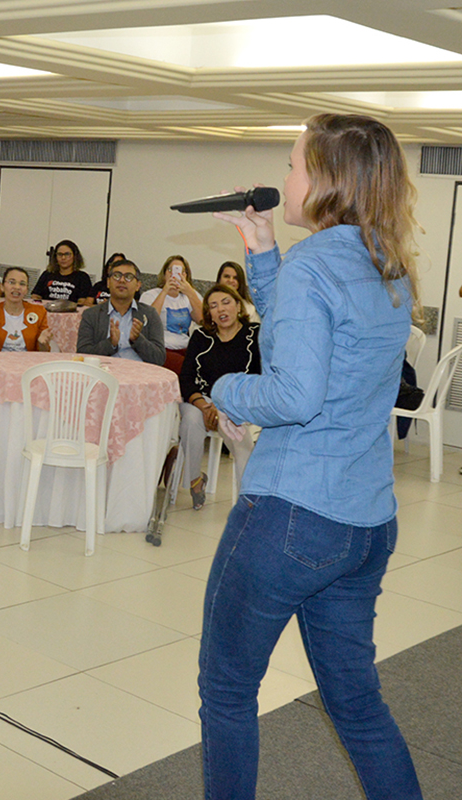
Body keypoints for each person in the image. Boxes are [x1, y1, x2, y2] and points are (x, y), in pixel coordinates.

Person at [200, 113, 423, 800]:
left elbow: (295, 391)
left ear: (327, 180)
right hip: (364, 524)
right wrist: (263, 253)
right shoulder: (388, 264)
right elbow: (311, 337)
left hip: (292, 518)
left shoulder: (313, 268)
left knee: (228, 692)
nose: (283, 178)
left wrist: (223, 384)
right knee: (357, 706)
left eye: (293, 164)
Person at [178, 284, 261, 509]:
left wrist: (225, 406)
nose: (220, 309)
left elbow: (259, 377)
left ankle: (248, 500)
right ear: (209, 313)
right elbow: (186, 377)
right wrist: (204, 406)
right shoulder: (201, 336)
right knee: (191, 420)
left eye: (226, 302)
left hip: (237, 403)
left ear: (238, 305)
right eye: (213, 306)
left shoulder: (254, 334)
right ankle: (195, 482)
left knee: (237, 435)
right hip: (201, 401)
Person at [76, 258, 165, 364]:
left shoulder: (149, 314)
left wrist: (138, 340)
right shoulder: (91, 314)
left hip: (139, 375)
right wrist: (110, 343)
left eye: (128, 277)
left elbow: (159, 358)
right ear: (108, 282)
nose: (122, 280)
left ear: (138, 285)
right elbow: (82, 354)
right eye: (117, 276)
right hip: (103, 373)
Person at [140, 254, 203, 374]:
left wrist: (190, 292)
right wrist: (165, 291)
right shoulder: (150, 295)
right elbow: (147, 322)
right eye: (171, 270)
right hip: (161, 349)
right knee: (184, 367)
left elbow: (203, 320)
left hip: (186, 348)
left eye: (182, 271)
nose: (176, 274)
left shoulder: (190, 295)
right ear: (164, 274)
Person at [0, 267, 49, 352]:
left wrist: (42, 343)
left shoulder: (39, 312)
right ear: (2, 287)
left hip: (28, 363)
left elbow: (44, 354)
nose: (17, 287)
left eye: (22, 284)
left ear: (26, 290)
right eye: (12, 282)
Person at [31, 240, 93, 304]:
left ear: (75, 256)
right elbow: (35, 296)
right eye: (60, 254)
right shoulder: (47, 274)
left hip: (71, 312)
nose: (63, 258)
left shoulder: (83, 277)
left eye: (67, 254)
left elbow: (82, 302)